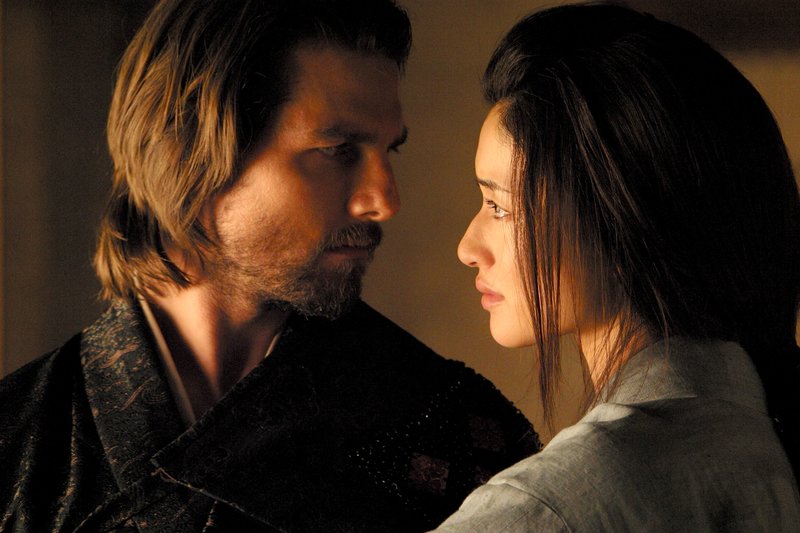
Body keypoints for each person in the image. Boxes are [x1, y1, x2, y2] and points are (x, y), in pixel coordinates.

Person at [0, 1, 540, 531]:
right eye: (339, 149)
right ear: (191, 152)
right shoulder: (16, 442)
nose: (384, 200)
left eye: (388, 151)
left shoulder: (453, 430)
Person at [434, 3, 800, 531]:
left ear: (625, 217)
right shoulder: (756, 434)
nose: (467, 247)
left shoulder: (554, 504)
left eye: (500, 206)